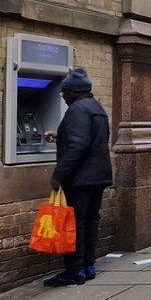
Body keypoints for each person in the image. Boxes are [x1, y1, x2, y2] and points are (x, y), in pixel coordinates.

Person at [42, 68, 112, 287]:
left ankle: (74, 270)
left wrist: (59, 174)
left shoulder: (77, 110)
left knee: (74, 223)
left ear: (74, 92)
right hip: (98, 176)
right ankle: (88, 266)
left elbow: (79, 145)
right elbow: (90, 139)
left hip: (81, 179)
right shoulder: (96, 107)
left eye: (64, 92)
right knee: (91, 221)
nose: (62, 96)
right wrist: (61, 134)